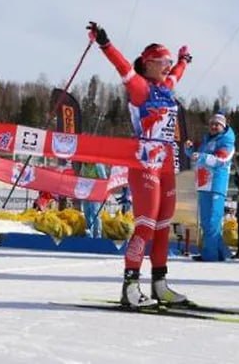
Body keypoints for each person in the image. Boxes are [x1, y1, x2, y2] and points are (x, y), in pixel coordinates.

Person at [88, 20, 191, 308]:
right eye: (162, 61)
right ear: (147, 64)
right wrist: (105, 44)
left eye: (169, 61)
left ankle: (160, 284)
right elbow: (123, 68)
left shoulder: (167, 87)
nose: (168, 66)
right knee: (144, 225)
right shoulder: (141, 88)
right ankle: (130, 285)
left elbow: (179, 74)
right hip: (145, 163)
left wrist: (183, 60)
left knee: (162, 227)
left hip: (167, 164)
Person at [187, 113, 235, 261]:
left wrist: (200, 157)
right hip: (204, 185)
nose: (214, 126)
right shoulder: (207, 140)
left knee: (213, 222)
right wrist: (189, 151)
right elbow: (199, 156)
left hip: (216, 185)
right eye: (212, 124)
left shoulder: (227, 142)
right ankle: (222, 253)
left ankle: (210, 256)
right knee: (206, 223)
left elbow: (221, 159)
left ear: (223, 126)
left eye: (217, 124)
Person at [78, 161, 109, 239]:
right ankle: (89, 235)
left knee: (95, 213)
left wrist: (104, 193)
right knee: (87, 213)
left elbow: (104, 180)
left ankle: (97, 236)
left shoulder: (98, 165)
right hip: (86, 193)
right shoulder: (84, 165)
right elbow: (81, 177)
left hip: (96, 193)